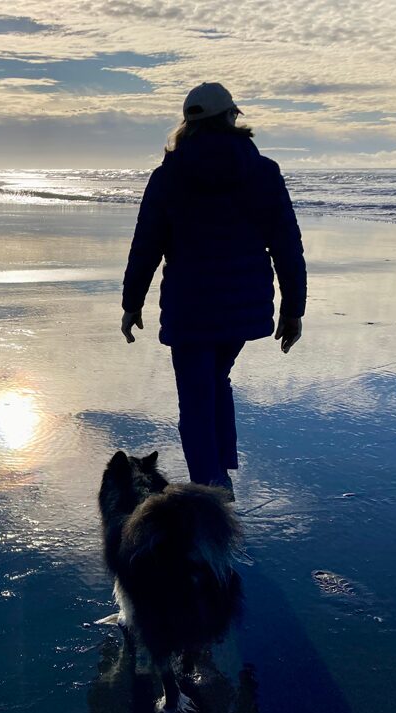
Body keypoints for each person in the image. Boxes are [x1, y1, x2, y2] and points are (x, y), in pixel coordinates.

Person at [120, 82, 306, 494]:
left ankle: (212, 488)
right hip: (243, 305)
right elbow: (286, 243)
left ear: (188, 125)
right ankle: (220, 473)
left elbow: (146, 245)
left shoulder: (168, 177)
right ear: (232, 117)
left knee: (197, 395)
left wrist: (132, 303)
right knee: (216, 379)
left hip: (190, 307)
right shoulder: (264, 172)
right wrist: (294, 308)